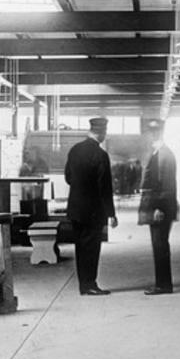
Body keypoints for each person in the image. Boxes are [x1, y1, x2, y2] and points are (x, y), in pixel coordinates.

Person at [64, 116, 118, 295]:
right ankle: (90, 284)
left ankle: (83, 285)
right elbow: (105, 187)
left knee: (80, 247)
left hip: (75, 209)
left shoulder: (75, 150)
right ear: (101, 133)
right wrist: (111, 213)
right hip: (93, 211)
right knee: (92, 248)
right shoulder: (100, 155)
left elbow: (68, 177)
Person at [138, 118, 178, 295]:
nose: (150, 136)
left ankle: (163, 285)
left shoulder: (163, 155)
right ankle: (162, 283)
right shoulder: (159, 153)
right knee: (159, 245)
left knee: (160, 245)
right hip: (158, 207)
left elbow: (165, 185)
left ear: (157, 133)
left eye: (152, 133)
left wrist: (158, 208)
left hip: (160, 209)